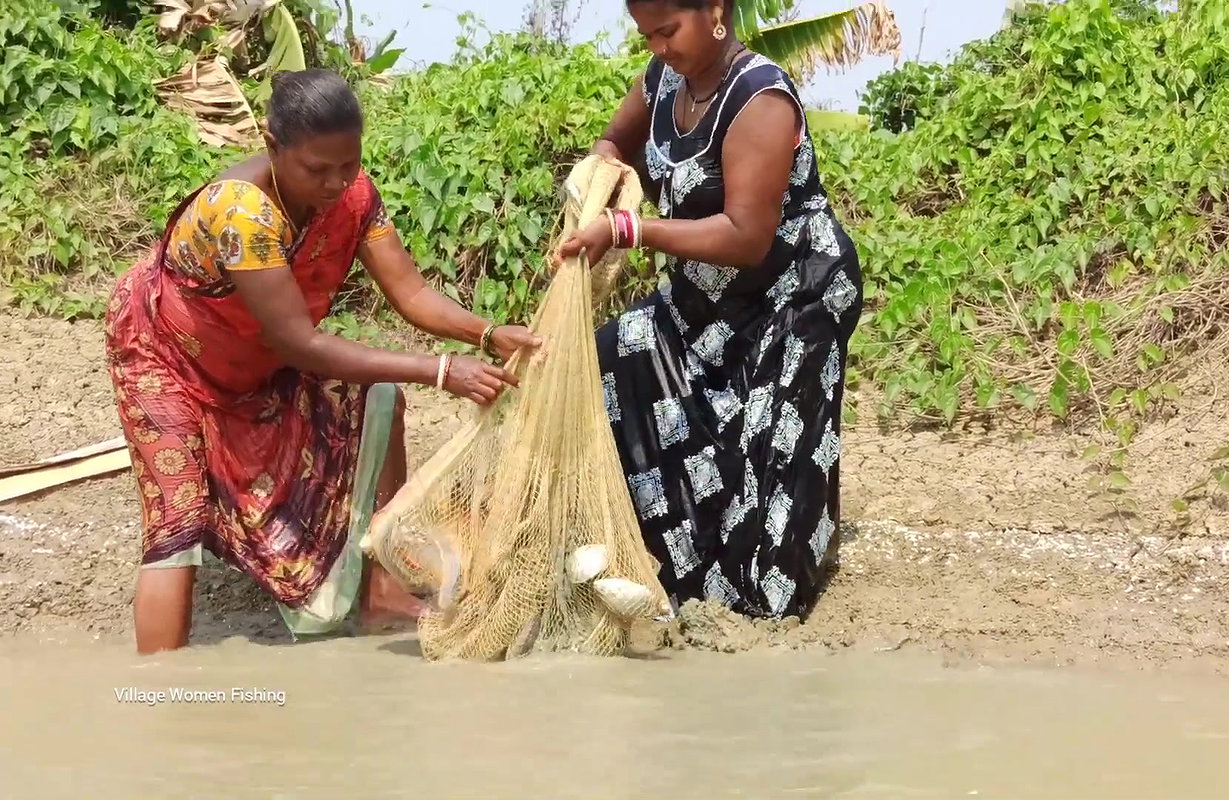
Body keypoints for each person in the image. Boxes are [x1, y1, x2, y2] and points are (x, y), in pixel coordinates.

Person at [105, 68, 541, 654]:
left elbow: (410, 293)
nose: (336, 183)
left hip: (252, 358)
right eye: (317, 169)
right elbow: (298, 344)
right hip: (166, 358)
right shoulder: (242, 213)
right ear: (273, 148)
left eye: (348, 164)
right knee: (176, 523)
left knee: (378, 398)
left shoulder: (355, 197)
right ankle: (160, 693)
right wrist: (441, 370)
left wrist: (487, 333)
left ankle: (380, 588)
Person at [556, 0, 863, 620]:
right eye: (646, 35)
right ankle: (662, 560)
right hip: (706, 294)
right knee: (618, 354)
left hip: (791, 292)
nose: (658, 47)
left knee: (770, 455)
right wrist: (601, 170)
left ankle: (769, 575)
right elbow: (617, 140)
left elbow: (746, 236)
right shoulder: (662, 81)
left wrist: (629, 229)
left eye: (668, 30)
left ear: (716, 10)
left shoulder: (759, 98)